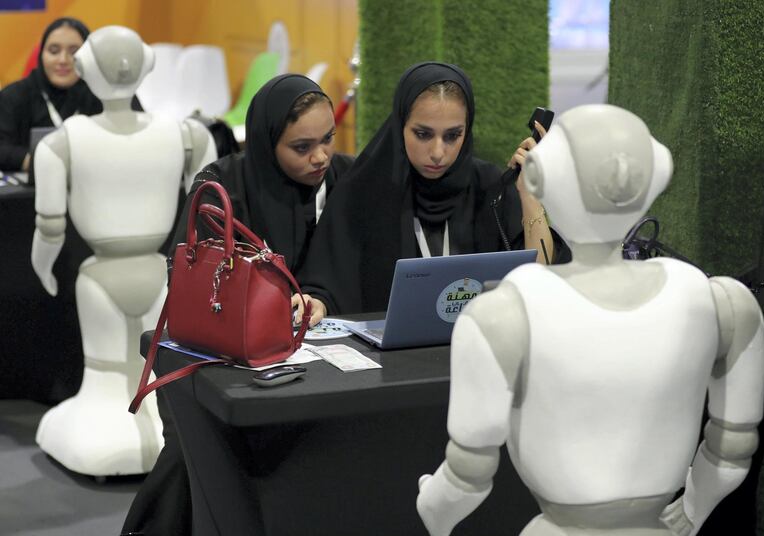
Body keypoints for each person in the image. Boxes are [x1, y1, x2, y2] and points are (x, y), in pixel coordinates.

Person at [415, 104, 764, 536]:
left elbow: (467, 475)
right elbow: (732, 450)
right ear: (656, 174)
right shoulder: (716, 299)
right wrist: (693, 507)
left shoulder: (504, 311)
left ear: (541, 179)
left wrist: (433, 510)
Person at [122, 73, 353, 536]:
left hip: (315, 359)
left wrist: (321, 299)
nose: (321, 156)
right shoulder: (223, 188)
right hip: (220, 361)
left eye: (327, 139)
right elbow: (196, 289)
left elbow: (354, 267)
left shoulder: (346, 178)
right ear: (268, 142)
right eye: (302, 146)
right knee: (207, 453)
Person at [297, 61, 556, 322]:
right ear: (400, 125)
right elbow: (326, 288)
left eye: (453, 135)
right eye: (423, 134)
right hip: (386, 358)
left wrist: (529, 195)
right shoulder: (362, 191)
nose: (437, 153)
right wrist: (317, 303)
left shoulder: (487, 187)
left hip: (477, 347)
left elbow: (540, 275)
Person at [0, 17, 141, 172]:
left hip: (101, 186)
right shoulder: (14, 96)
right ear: (41, 55)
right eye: (54, 51)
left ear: (89, 56)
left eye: (74, 52)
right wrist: (36, 162)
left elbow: (139, 136)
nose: (63, 60)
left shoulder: (110, 93)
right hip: (31, 192)